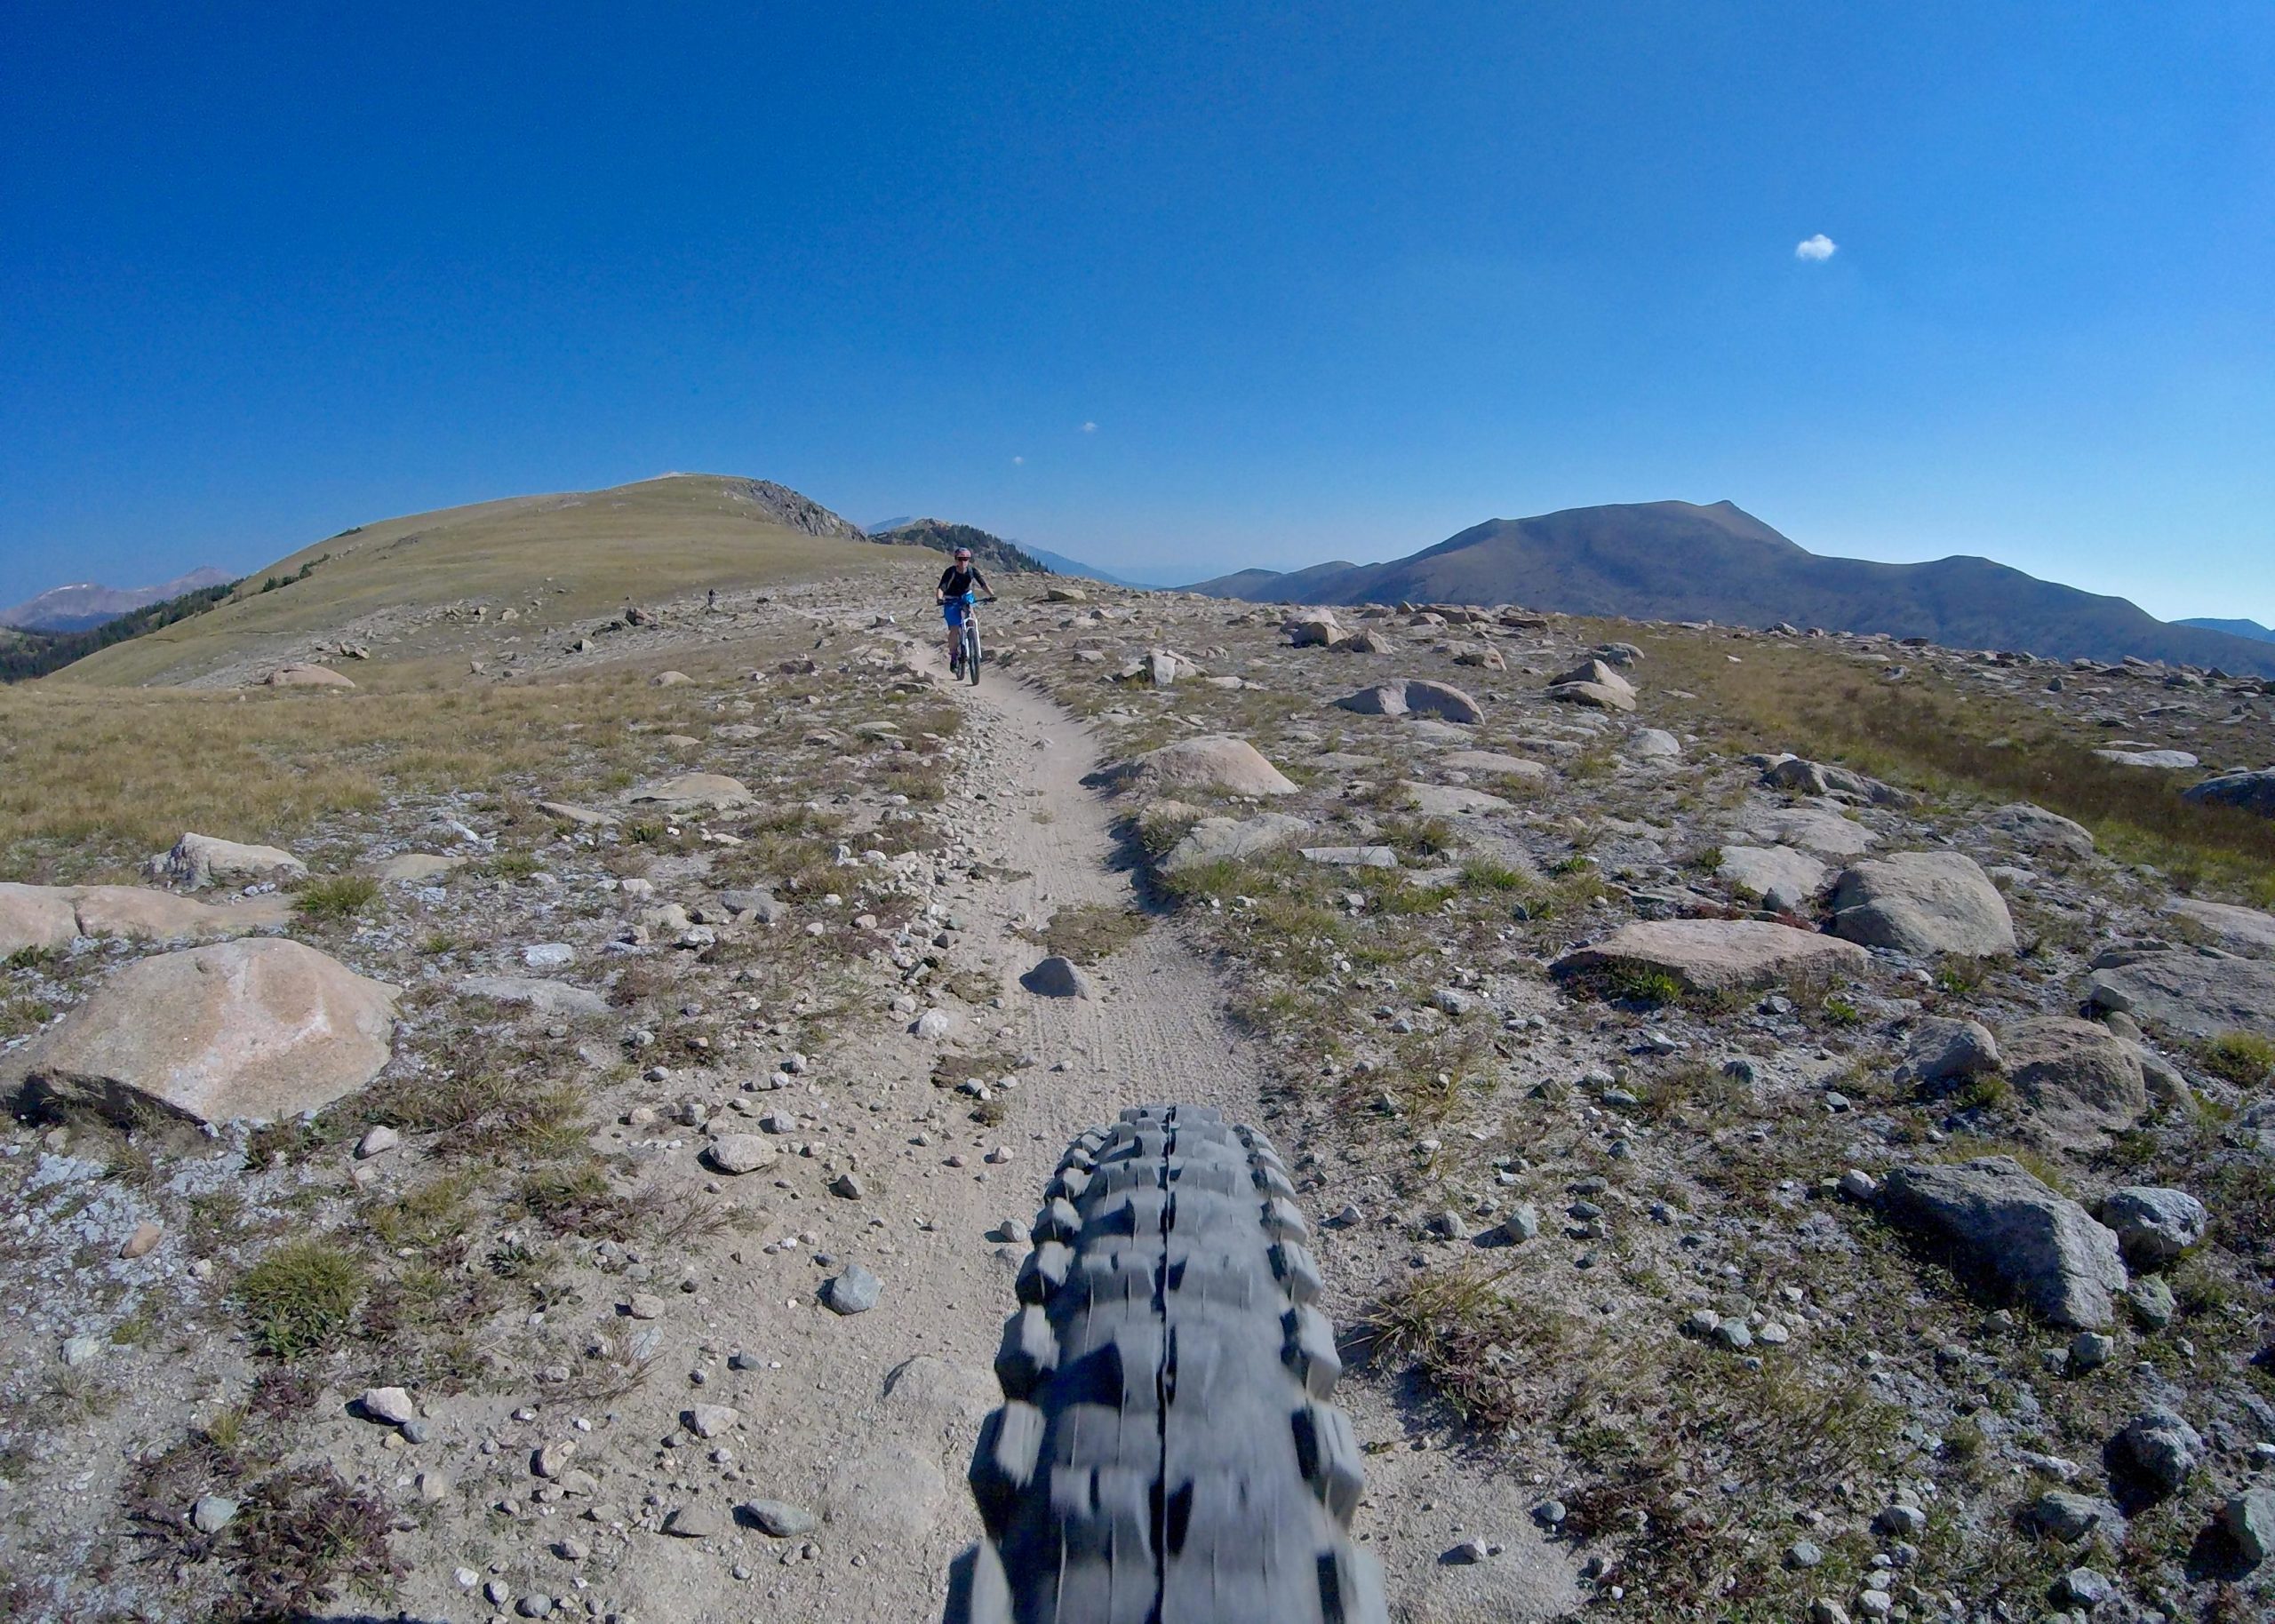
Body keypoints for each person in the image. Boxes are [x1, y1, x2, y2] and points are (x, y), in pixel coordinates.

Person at [937, 546, 993, 673]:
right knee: (954, 628)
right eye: (960, 559)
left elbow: (983, 584)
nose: (963, 562)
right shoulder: (950, 572)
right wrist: (940, 599)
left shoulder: (972, 571)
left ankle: (972, 641)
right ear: (956, 560)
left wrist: (992, 595)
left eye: (966, 559)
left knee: (971, 618)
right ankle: (954, 655)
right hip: (951, 599)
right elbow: (941, 588)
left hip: (966, 597)